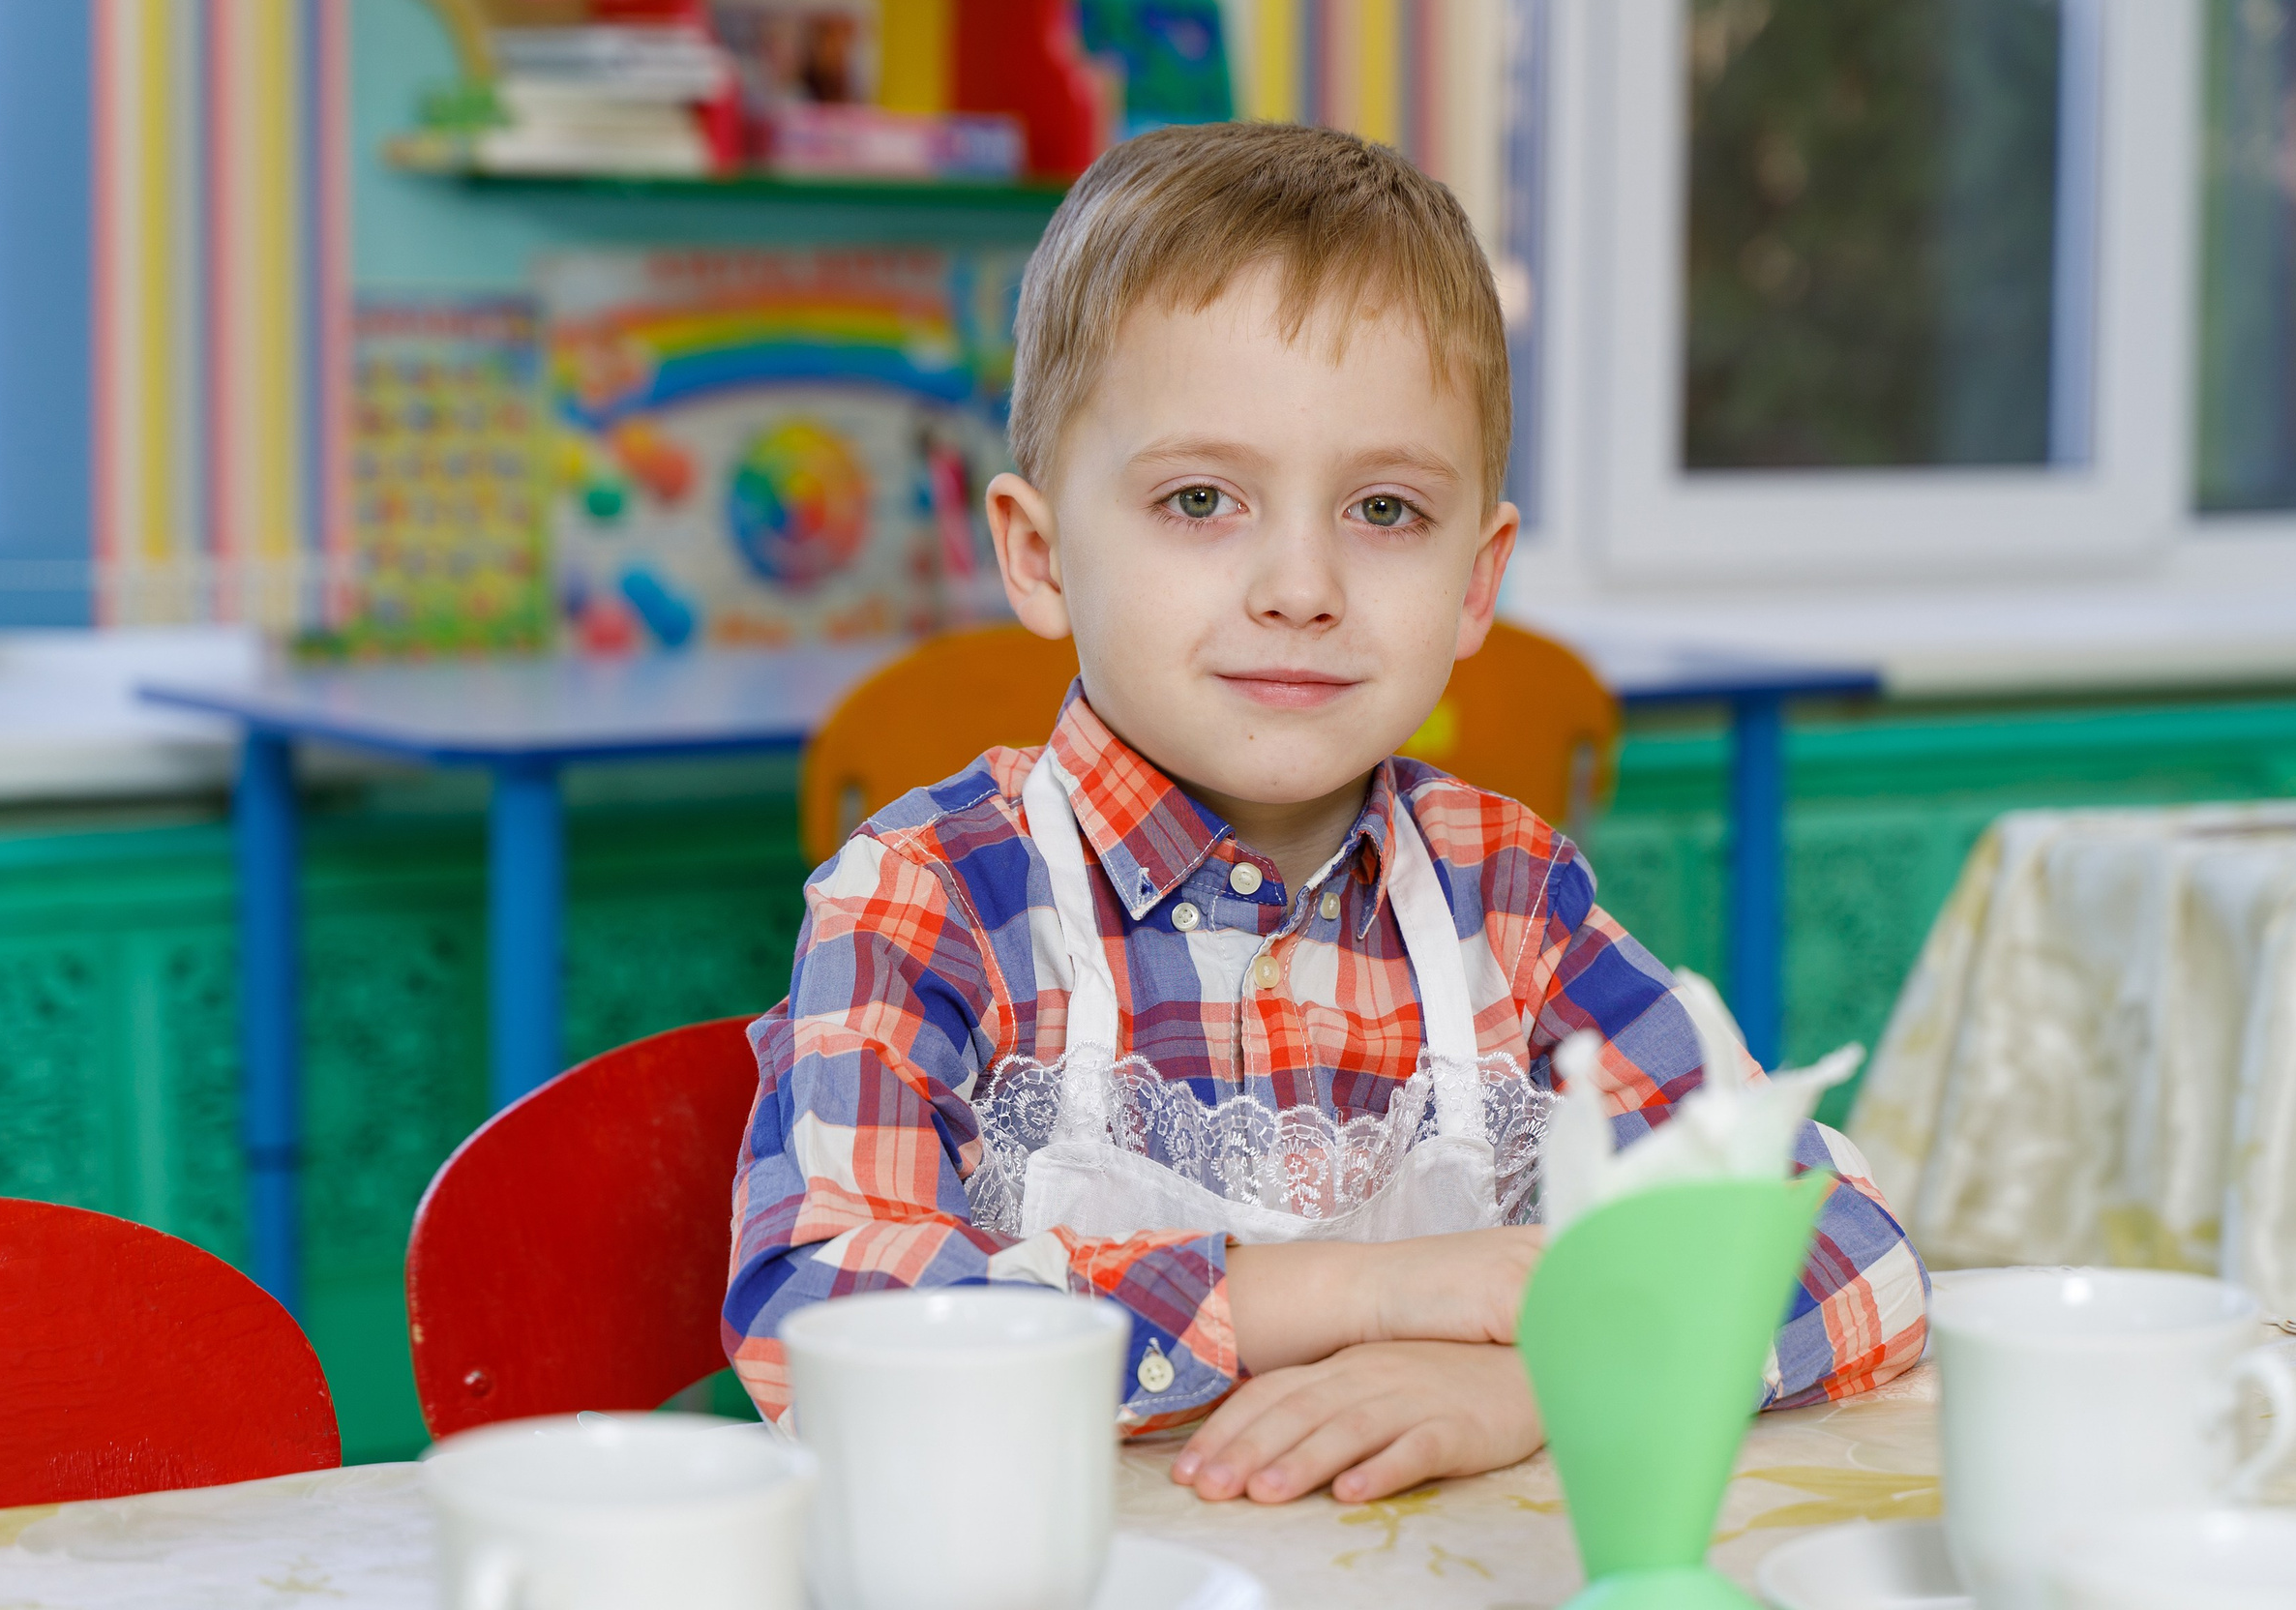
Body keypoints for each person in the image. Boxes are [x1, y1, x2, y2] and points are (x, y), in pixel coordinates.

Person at [725, 122, 1926, 1506]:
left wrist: (1538, 1372)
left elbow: (1842, 1237)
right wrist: (1357, 1293)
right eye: (1199, 499)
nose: (1301, 584)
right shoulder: (929, 897)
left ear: (1478, 585)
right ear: (1040, 555)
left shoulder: (1511, 898)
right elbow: (819, 1322)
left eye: (1385, 510)